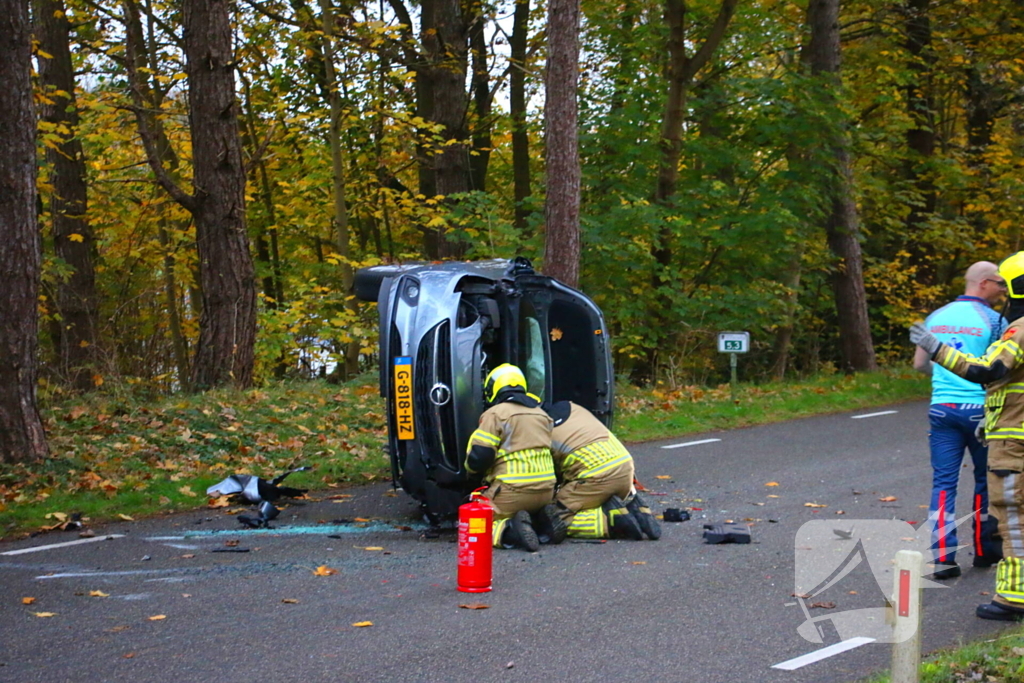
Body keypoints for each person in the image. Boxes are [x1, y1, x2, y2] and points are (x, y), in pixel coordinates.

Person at [910, 251, 1024, 621]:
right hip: (985, 417)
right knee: (983, 489)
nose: (1003, 296)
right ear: (985, 284)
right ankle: (983, 550)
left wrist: (939, 350)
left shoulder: (939, 317)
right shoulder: (993, 320)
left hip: (956, 414)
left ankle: (948, 560)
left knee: (962, 491)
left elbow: (924, 364)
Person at [465, 363, 564, 551]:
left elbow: (480, 456)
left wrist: (470, 474)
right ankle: (541, 522)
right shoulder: (542, 415)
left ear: (493, 388)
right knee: (529, 509)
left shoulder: (496, 414)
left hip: (511, 492)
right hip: (545, 490)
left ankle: (510, 530)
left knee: (472, 524)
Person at [543, 400, 661, 541]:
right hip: (625, 469)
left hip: (597, 477)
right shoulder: (574, 408)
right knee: (586, 500)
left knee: (555, 518)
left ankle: (611, 523)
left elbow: (549, 476)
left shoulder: (541, 430)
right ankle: (634, 510)